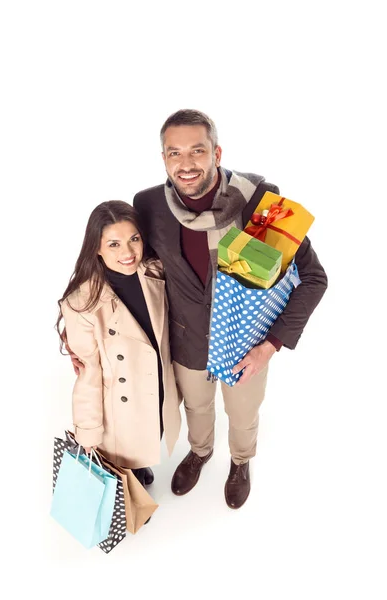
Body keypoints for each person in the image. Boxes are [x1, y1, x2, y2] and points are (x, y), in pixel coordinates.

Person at [133, 109, 328, 508]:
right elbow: (134, 270)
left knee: (242, 415)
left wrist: (270, 345)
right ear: (164, 158)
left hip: (246, 345)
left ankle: (241, 461)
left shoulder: (260, 201)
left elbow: (314, 277)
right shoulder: (149, 205)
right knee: (196, 407)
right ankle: (200, 451)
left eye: (197, 151)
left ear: (217, 153)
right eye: (174, 153)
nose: (185, 164)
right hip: (186, 341)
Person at [57, 200, 181, 487]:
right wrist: (87, 431)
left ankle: (138, 467)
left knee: (151, 434)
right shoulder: (81, 303)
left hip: (157, 384)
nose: (127, 253)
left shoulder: (155, 273)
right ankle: (128, 483)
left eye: (134, 239)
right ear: (96, 248)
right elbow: (88, 373)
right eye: (113, 244)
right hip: (122, 403)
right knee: (125, 451)